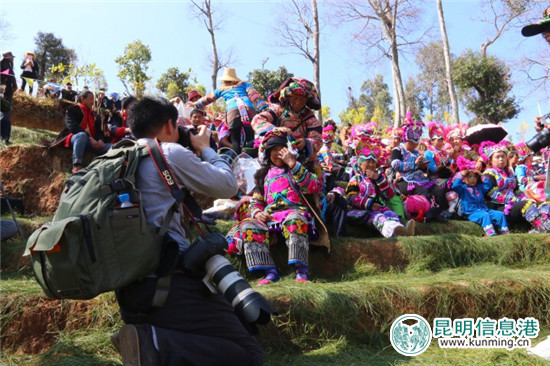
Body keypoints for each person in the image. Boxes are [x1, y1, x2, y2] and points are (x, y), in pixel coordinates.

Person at [113, 96, 262, 365]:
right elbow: (228, 185)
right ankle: (151, 343)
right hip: (169, 282)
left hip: (129, 286)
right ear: (170, 124)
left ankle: (154, 336)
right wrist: (205, 148)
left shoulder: (118, 156)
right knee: (249, 355)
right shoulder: (168, 152)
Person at [234, 130, 320, 285]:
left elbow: (312, 186)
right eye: (273, 150)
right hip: (271, 219)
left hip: (295, 213)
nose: (278, 153)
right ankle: (270, 272)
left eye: (281, 148)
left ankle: (301, 270)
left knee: (295, 219)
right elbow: (256, 201)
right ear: (267, 153)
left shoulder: (300, 167)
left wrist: (293, 164)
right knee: (248, 225)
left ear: (289, 149)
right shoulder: (263, 175)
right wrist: (258, 212)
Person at [346, 140, 415, 238]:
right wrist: (369, 204)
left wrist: (378, 179)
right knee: (379, 218)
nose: (371, 165)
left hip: (380, 209)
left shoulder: (379, 178)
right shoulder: (356, 179)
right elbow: (350, 198)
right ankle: (395, 231)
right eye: (368, 162)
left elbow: (390, 195)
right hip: (362, 212)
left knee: (391, 214)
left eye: (373, 162)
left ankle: (403, 230)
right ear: (360, 165)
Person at [480, 141, 550, 233]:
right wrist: (518, 200)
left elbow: (518, 191)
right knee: (526, 204)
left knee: (542, 204)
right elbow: (494, 195)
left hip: (514, 204)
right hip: (499, 208)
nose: (501, 159)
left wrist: (525, 198)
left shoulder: (510, 174)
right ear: (490, 160)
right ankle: (544, 228)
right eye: (497, 157)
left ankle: (541, 227)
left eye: (503, 156)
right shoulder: (488, 174)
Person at [194, 68, 267, 155]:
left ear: (225, 80)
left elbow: (207, 99)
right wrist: (263, 107)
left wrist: (195, 104)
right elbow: (254, 95)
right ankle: (252, 160)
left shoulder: (221, 89)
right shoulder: (245, 84)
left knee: (235, 142)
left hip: (233, 113)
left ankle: (235, 162)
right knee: (251, 139)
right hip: (249, 111)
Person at [252, 77, 322, 163]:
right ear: (288, 97)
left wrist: (306, 142)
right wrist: (275, 130)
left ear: (306, 101)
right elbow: (257, 119)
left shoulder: (309, 117)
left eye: (302, 99)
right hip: (276, 155)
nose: (298, 102)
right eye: (295, 98)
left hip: (300, 160)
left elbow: (317, 139)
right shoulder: (278, 109)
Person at [452, 157, 509, 236]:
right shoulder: (463, 188)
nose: (473, 179)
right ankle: (491, 234)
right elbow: (455, 186)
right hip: (471, 213)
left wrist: (480, 173)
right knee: (484, 215)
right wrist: (462, 174)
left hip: (484, 210)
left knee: (500, 214)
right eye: (469, 177)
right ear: (464, 179)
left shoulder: (479, 187)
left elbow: (488, 184)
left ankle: (505, 233)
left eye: (475, 177)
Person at [61, 91, 111, 173]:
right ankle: (77, 165)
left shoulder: (95, 115)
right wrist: (90, 138)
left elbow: (99, 131)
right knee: (81, 135)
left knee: (112, 147)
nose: (93, 102)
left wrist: (100, 140)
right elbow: (72, 127)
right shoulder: (73, 110)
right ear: (83, 99)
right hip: (75, 138)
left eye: (93, 99)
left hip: (92, 142)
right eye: (91, 99)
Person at [1, 51, 17, 145]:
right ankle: (5, 137)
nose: (13, 59)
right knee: (5, 115)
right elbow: (11, 77)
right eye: (12, 57)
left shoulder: (2, 64)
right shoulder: (6, 65)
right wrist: (15, 87)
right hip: (5, 92)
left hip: (2, 91)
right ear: (8, 58)